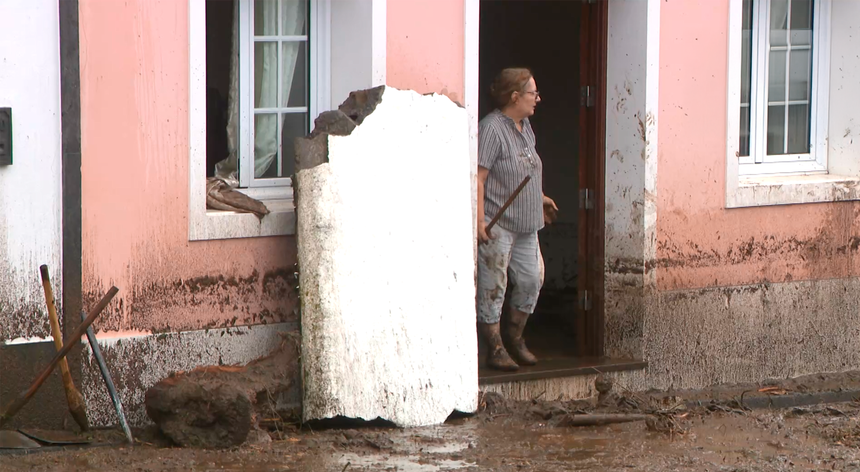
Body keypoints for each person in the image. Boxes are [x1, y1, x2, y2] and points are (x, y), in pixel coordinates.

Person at [477, 68, 558, 372]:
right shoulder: (491, 129)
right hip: (498, 221)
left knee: (531, 280)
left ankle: (515, 337)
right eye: (532, 93)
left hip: (527, 224)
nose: (537, 98)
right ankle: (494, 347)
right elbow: (479, 178)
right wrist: (479, 221)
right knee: (493, 285)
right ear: (514, 97)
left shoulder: (525, 127)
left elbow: (526, 170)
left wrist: (540, 197)